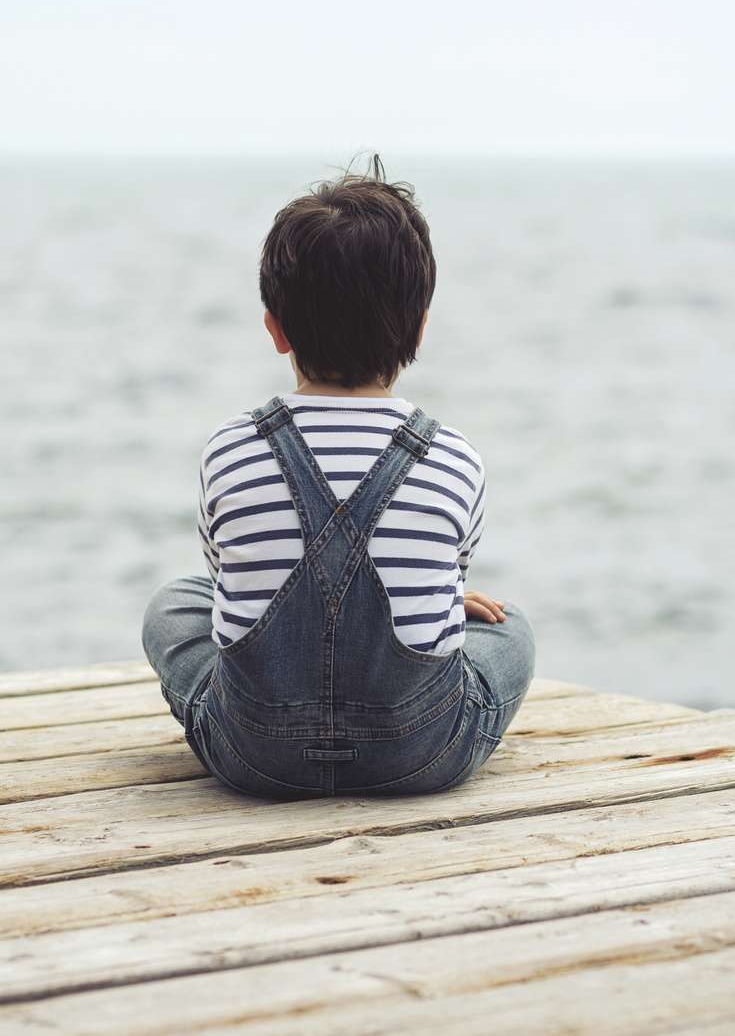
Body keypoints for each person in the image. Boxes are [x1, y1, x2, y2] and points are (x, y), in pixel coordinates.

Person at [140, 155, 535, 799]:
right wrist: (433, 601)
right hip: (420, 755)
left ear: (275, 328)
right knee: (510, 627)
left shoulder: (230, 447)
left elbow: (229, 586)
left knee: (175, 602)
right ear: (421, 326)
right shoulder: (455, 456)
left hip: (255, 756)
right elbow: (449, 572)